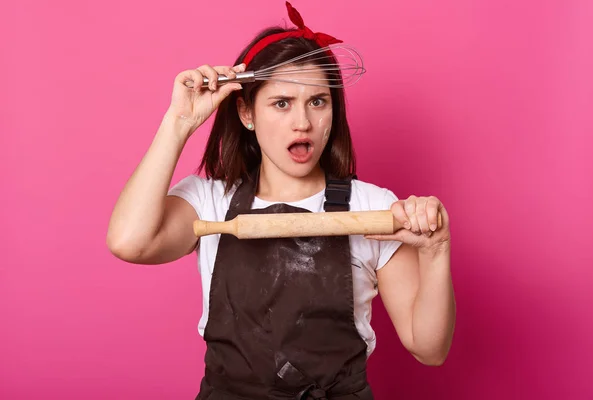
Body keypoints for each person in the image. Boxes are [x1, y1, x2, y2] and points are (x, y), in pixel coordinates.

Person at [107, 2, 456, 399]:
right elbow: (128, 242)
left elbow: (429, 349)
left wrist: (435, 251)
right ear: (246, 112)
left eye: (317, 101)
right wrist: (178, 122)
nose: (302, 122)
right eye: (281, 103)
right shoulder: (209, 201)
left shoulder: (373, 209)